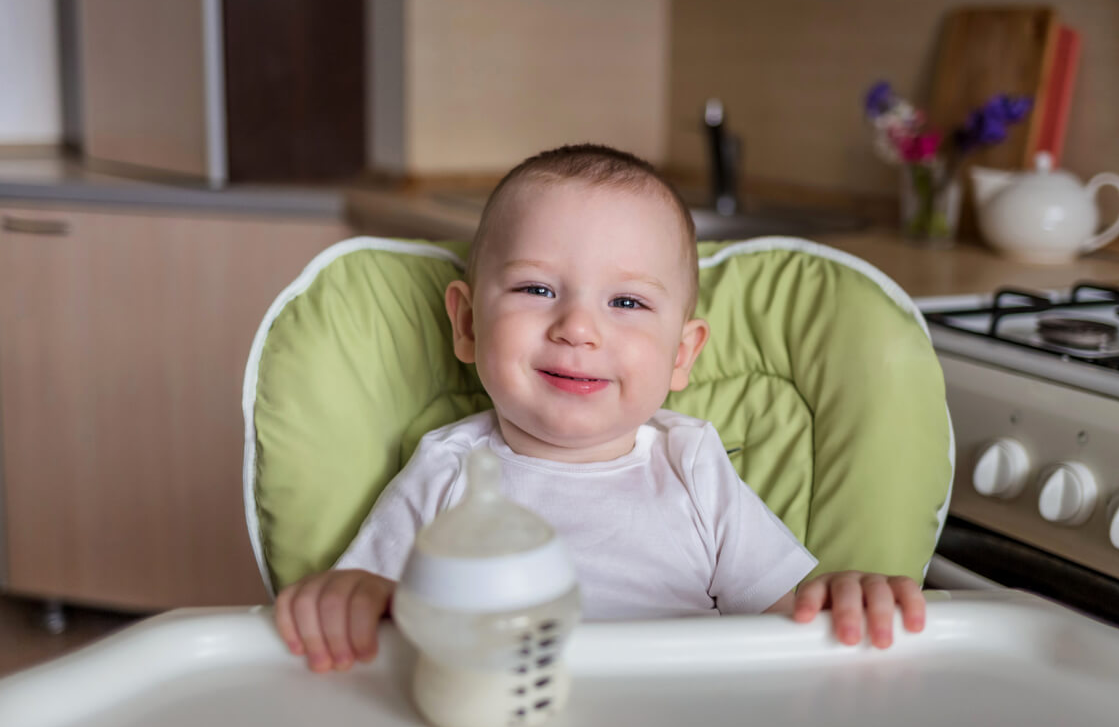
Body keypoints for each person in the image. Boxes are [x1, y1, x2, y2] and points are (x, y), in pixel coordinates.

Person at [275, 144, 926, 673]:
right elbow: (358, 612)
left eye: (627, 303)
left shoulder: (693, 465)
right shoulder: (445, 470)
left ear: (682, 354)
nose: (577, 328)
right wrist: (354, 598)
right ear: (467, 323)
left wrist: (842, 595)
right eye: (537, 288)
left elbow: (789, 623)